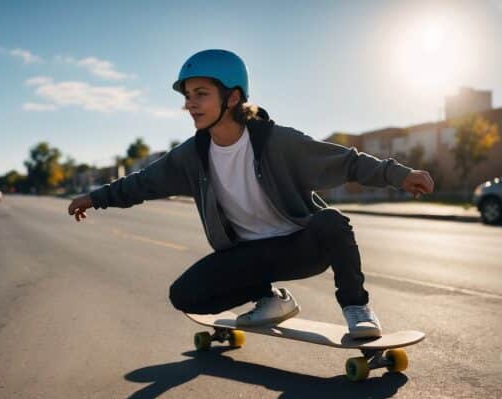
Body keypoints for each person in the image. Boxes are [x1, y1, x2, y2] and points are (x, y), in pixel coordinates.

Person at [68, 49, 434, 339]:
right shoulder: (191, 156)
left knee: (332, 221)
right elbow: (142, 182)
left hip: (301, 247)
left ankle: (357, 309)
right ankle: (270, 299)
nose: (190, 104)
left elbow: (346, 162)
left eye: (201, 94)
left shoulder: (276, 142)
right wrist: (95, 197)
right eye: (188, 96)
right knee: (184, 295)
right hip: (249, 258)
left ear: (232, 98)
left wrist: (400, 175)